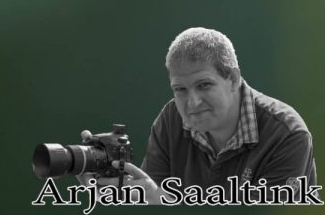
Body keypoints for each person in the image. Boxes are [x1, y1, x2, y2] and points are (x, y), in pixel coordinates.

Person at [116, 28, 320, 205]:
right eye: (180, 89)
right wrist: (113, 193)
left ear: (233, 79)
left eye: (204, 85)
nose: (192, 102)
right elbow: (150, 200)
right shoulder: (171, 120)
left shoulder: (287, 134)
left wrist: (163, 202)